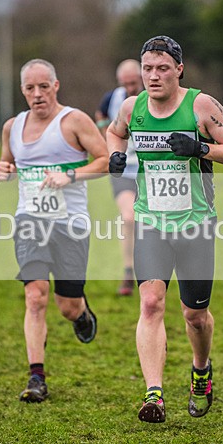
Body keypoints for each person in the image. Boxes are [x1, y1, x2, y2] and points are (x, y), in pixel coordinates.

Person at [107, 35, 223, 423]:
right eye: (147, 69)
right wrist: (115, 156)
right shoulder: (131, 107)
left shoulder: (201, 106)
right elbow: (114, 131)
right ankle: (154, 394)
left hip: (195, 226)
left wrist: (200, 148)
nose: (153, 77)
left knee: (195, 315)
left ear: (179, 70)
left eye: (162, 69)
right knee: (151, 303)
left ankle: (201, 370)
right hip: (151, 222)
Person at [0, 58, 108, 403]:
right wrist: (5, 170)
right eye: (30, 88)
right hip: (29, 221)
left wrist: (70, 175)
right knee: (35, 295)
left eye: (44, 86)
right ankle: (36, 376)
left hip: (70, 225)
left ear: (56, 86)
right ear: (22, 91)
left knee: (67, 306)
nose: (37, 94)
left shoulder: (73, 121)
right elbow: (9, 162)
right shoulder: (12, 127)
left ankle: (82, 312)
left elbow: (105, 160)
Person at [95, 59, 143, 295]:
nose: (130, 88)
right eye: (125, 83)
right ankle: (128, 272)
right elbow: (101, 120)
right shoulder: (112, 98)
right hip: (123, 168)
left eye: (133, 83)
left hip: (150, 170)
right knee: (129, 217)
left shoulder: (154, 96)